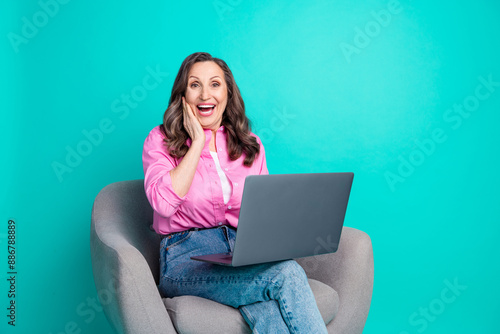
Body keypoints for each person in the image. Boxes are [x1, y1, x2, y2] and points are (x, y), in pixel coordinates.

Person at [142, 52, 327, 333]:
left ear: (228, 93)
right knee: (286, 275)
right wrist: (197, 143)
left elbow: (265, 212)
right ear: (183, 95)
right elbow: (163, 205)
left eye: (215, 84)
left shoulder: (249, 144)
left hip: (242, 256)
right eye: (195, 85)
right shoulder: (160, 140)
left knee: (269, 311)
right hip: (185, 260)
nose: (206, 94)